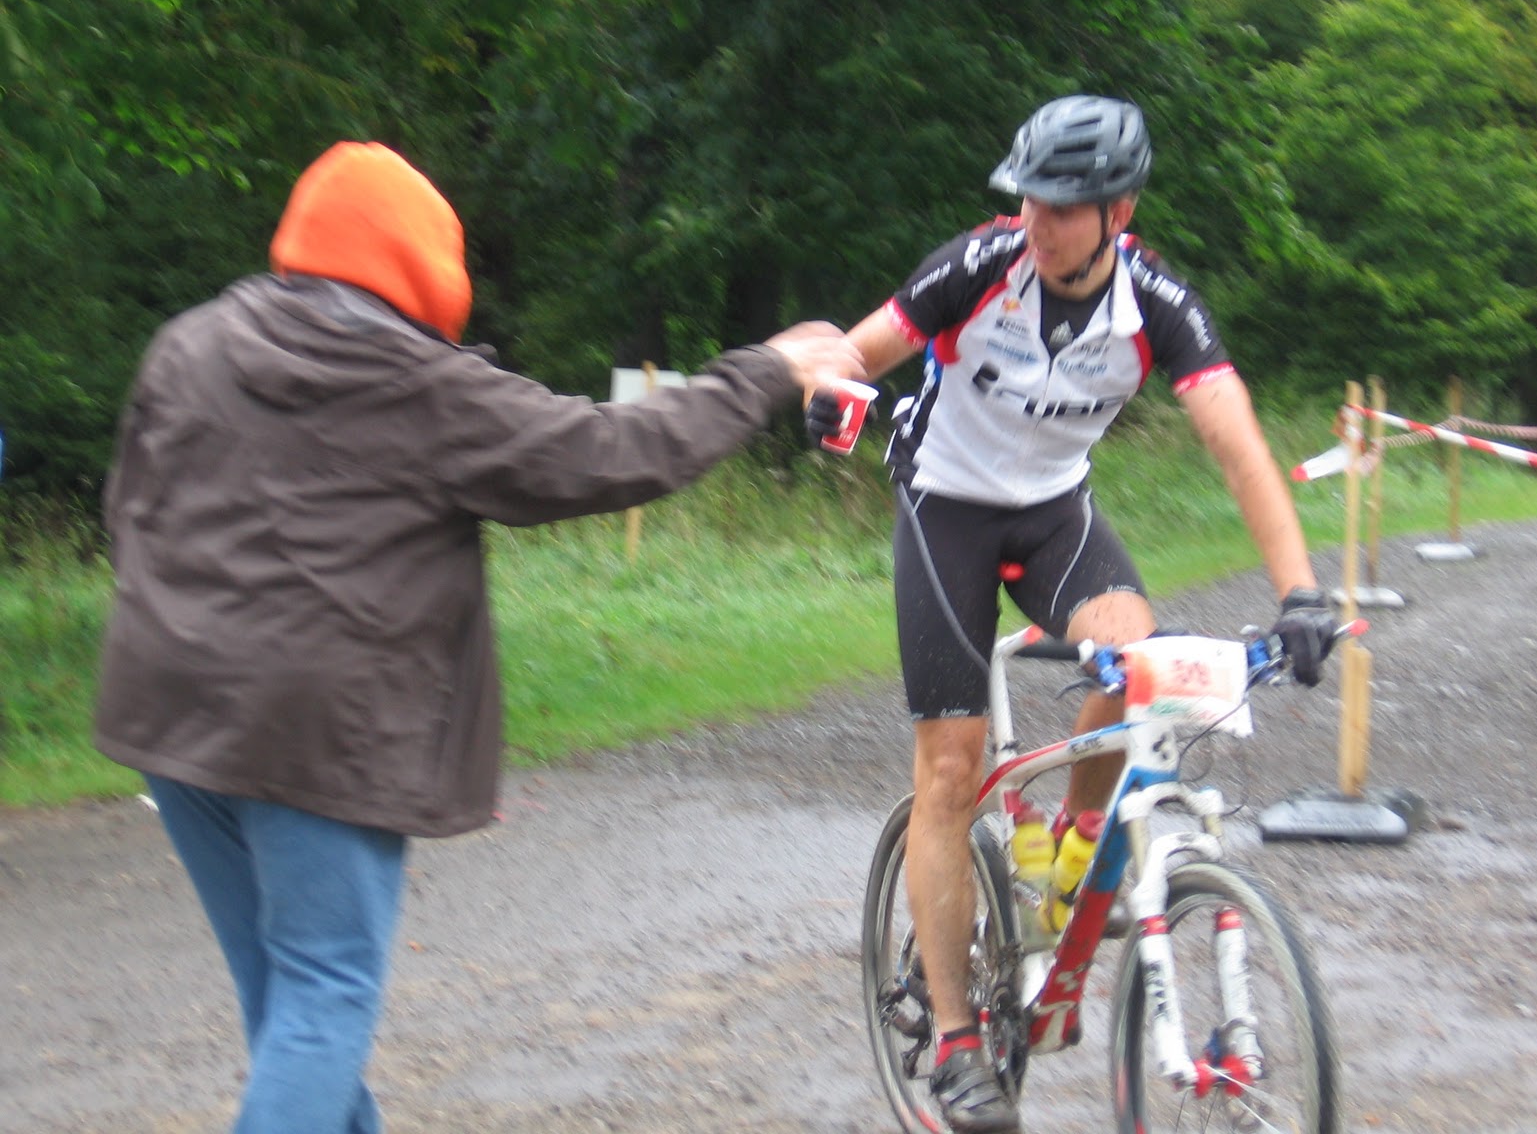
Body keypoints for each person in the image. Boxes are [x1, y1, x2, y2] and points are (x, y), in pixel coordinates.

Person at [94, 140, 863, 1134]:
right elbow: (610, 450)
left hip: (172, 711)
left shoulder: (188, 344)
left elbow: (130, 507)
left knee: (288, 1002)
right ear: (423, 268)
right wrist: (765, 371)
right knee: (323, 995)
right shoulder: (416, 382)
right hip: (316, 733)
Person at [806, 95, 1337, 1134]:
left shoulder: (1156, 302)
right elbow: (857, 352)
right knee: (950, 767)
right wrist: (831, 388)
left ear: (1118, 213)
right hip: (944, 509)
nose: (1036, 223)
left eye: (1061, 207)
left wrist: (1301, 594)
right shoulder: (978, 265)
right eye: (1029, 201)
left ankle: (1077, 840)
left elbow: (1239, 447)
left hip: (1054, 513)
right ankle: (956, 1041)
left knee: (1138, 663)